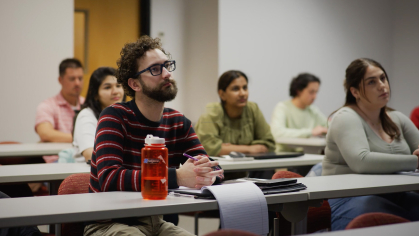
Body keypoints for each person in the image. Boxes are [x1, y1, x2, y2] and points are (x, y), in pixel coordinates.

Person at [85, 36, 223, 236]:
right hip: (108, 222)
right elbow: (110, 178)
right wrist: (177, 176)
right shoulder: (114, 117)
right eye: (155, 69)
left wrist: (208, 172)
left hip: (155, 222)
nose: (167, 74)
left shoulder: (178, 121)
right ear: (135, 84)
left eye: (167, 66)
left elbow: (212, 167)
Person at [322, 58, 419, 230]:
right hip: (350, 198)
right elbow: (362, 161)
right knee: (377, 211)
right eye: (372, 82)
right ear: (355, 91)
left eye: (383, 78)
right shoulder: (345, 117)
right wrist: (414, 161)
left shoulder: (396, 117)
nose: (382, 85)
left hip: (393, 195)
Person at [195, 70, 275, 179]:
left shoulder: (253, 109)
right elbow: (209, 148)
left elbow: (269, 143)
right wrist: (250, 148)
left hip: (247, 172)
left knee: (268, 170)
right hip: (216, 174)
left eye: (245, 88)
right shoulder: (211, 111)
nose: (243, 93)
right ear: (222, 94)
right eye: (236, 89)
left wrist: (228, 147)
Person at [35, 58, 85, 163]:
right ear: (60, 80)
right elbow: (45, 134)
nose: (77, 83)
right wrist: (82, 138)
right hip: (57, 161)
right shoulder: (48, 105)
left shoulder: (88, 104)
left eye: (80, 78)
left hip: (84, 159)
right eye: (72, 79)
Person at [73, 67, 125, 162]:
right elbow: (89, 154)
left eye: (118, 86)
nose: (115, 91)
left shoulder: (126, 114)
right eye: (107, 87)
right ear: (95, 94)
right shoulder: (86, 115)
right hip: (89, 173)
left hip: (117, 170)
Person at [270, 73, 327, 153]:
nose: (315, 97)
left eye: (316, 92)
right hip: (287, 157)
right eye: (311, 92)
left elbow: (327, 125)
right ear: (298, 91)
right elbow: (277, 133)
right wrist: (310, 132)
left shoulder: (313, 110)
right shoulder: (282, 107)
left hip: (310, 156)